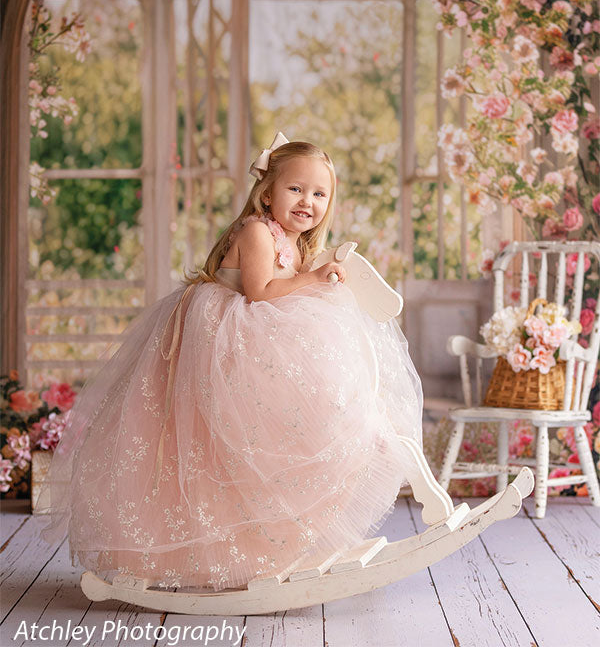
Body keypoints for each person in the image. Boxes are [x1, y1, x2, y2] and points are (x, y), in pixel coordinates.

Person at [34, 133, 424, 592]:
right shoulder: (257, 231)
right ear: (267, 192)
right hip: (223, 333)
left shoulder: (295, 243)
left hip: (255, 332)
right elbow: (260, 292)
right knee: (209, 445)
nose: (307, 202)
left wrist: (315, 275)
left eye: (320, 194)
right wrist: (314, 279)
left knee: (290, 415)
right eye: (296, 189)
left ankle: (288, 529)